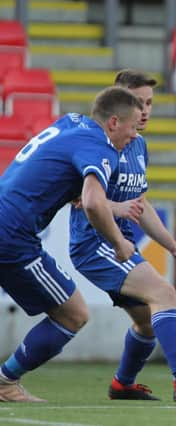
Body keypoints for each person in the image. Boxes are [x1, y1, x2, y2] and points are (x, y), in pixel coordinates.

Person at [68, 69, 176, 403]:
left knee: (146, 322)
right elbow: (82, 199)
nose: (145, 111)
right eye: (139, 103)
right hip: (95, 243)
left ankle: (122, 385)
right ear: (120, 104)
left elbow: (140, 206)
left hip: (123, 244)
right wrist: (117, 218)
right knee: (163, 292)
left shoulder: (138, 145)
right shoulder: (96, 142)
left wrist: (174, 248)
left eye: (150, 103)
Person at [0, 87, 143, 402]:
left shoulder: (72, 122)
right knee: (73, 313)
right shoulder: (101, 148)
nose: (135, 136)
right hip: (11, 236)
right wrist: (118, 242)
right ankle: (5, 382)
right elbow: (92, 203)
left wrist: (114, 207)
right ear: (114, 122)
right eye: (134, 127)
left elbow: (69, 186)